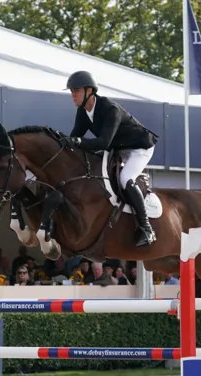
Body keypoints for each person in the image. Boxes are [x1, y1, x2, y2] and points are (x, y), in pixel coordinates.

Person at [59, 70, 160, 247]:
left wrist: (77, 141)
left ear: (89, 91)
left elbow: (104, 142)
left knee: (125, 179)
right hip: (118, 149)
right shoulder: (83, 112)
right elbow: (76, 137)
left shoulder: (110, 109)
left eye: (76, 90)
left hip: (139, 148)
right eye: (71, 91)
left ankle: (146, 228)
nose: (72, 95)